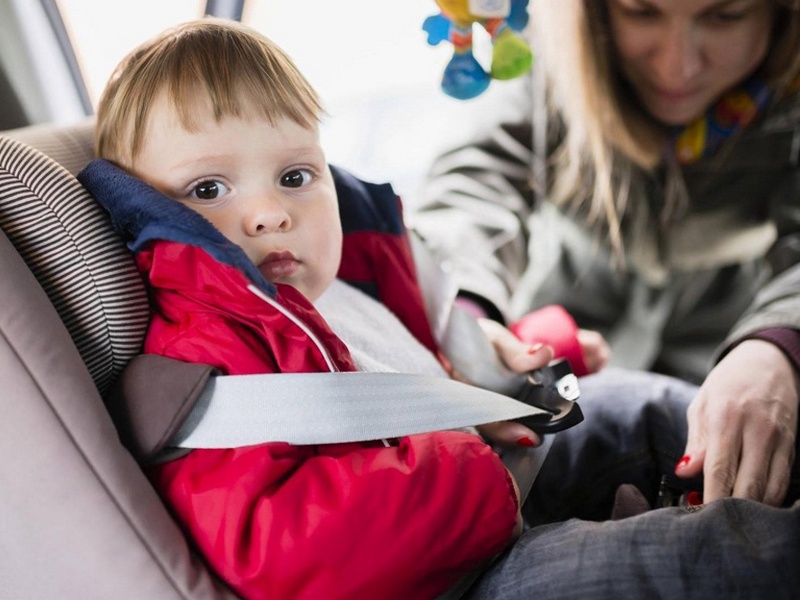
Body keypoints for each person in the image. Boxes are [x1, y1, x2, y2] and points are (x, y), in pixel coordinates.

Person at [78, 15, 800, 600]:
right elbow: (278, 553)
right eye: (208, 190)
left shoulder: (337, 292)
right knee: (710, 556)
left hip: (482, 501)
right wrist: (465, 450)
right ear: (146, 210)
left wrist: (518, 352)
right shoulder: (208, 363)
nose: (269, 212)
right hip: (456, 578)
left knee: (648, 409)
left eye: (296, 176)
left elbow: (415, 365)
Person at [411, 0, 800, 508]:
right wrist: (462, 316)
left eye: (725, 16)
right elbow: (476, 183)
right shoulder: (539, 49)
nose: (676, 65)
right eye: (641, 12)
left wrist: (779, 345)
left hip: (727, 343)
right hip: (552, 332)